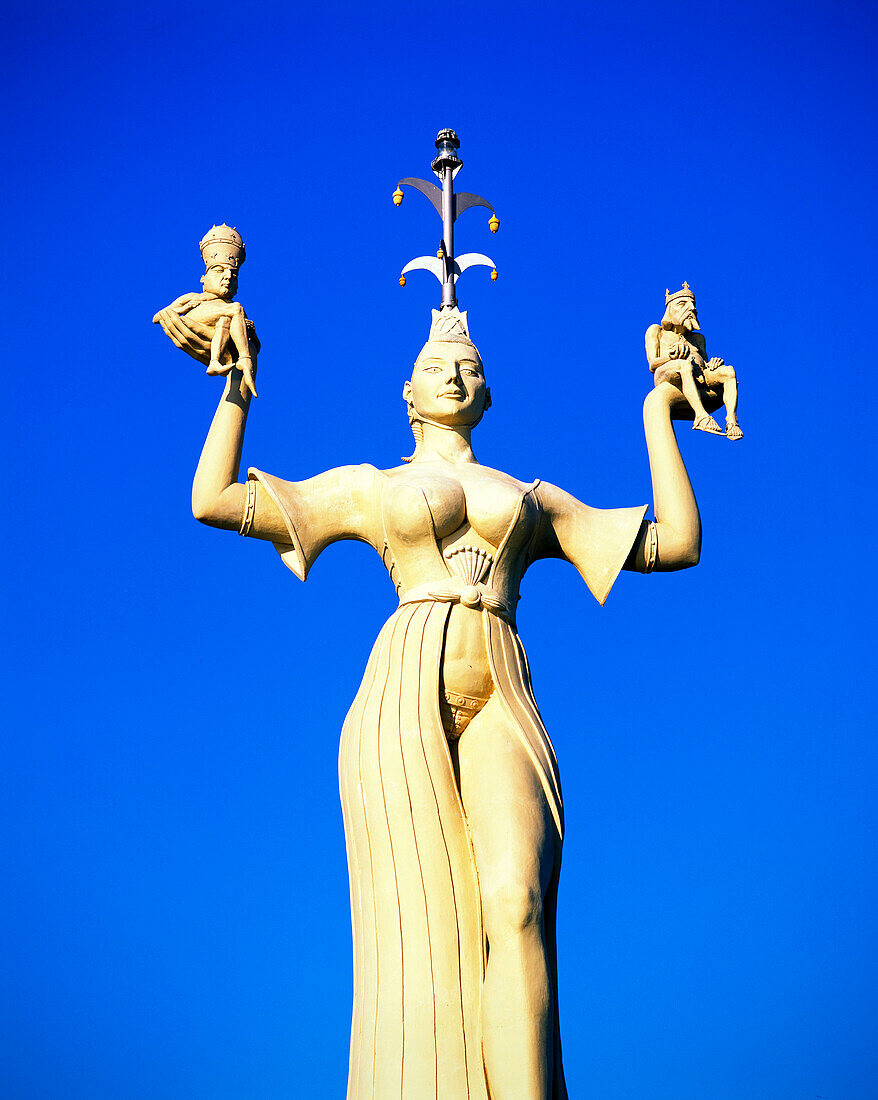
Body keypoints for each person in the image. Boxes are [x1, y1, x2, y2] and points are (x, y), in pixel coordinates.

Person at [158, 303, 702, 1100]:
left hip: (503, 683)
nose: (455, 372)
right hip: (404, 682)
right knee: (414, 928)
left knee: (517, 904)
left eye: (472, 368)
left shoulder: (532, 498)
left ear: (487, 398)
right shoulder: (372, 486)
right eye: (439, 366)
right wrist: (237, 380)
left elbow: (676, 544)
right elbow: (212, 499)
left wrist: (661, 411)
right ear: (407, 393)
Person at [153, 225, 257, 399]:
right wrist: (183, 308)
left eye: (234, 274)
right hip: (196, 318)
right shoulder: (195, 297)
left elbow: (255, 343)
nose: (228, 277)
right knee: (235, 309)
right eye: (219, 270)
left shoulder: (228, 309)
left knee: (225, 319)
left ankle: (215, 362)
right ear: (203, 279)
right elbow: (158, 317)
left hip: (221, 323)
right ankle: (245, 361)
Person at [646, 282, 743, 440]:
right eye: (683, 304)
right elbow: (652, 364)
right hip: (667, 374)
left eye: (692, 304)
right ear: (670, 309)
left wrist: (712, 364)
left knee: (728, 371)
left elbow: (704, 363)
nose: (691, 308)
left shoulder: (698, 338)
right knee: (684, 364)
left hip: (698, 375)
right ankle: (701, 417)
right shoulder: (656, 331)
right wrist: (671, 357)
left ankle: (732, 421)